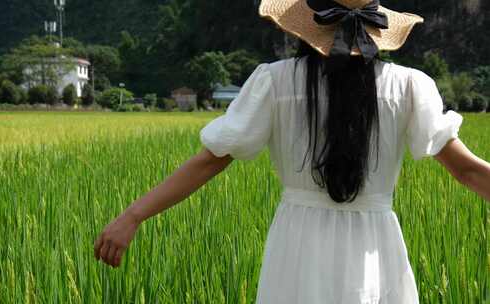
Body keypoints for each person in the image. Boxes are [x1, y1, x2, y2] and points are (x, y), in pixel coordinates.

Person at [94, 0, 490, 302]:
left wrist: (133, 216)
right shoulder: (408, 86)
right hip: (375, 247)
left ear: (306, 25)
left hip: (297, 245)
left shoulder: (274, 82)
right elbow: (469, 171)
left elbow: (210, 160)